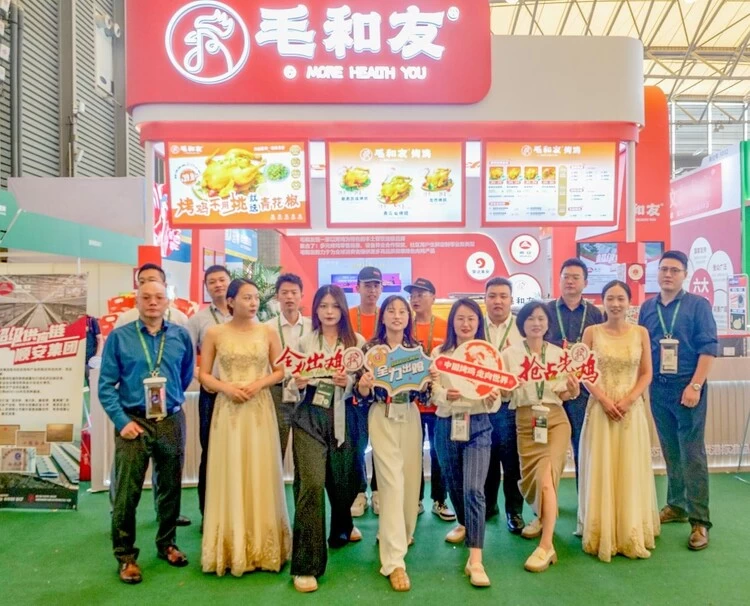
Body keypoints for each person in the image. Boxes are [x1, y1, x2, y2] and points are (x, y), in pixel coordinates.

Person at [98, 281, 195, 584]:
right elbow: (105, 386)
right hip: (133, 422)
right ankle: (126, 556)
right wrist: (121, 421)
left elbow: (185, 374)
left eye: (159, 297)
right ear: (137, 302)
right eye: (146, 297)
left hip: (170, 419)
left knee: (170, 487)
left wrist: (171, 400)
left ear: (168, 302)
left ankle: (167, 543)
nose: (153, 302)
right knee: (127, 492)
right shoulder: (120, 338)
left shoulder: (180, 336)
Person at [199, 279, 292, 576]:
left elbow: (280, 370)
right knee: (231, 471)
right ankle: (232, 548)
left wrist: (258, 384)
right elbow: (203, 374)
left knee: (260, 470)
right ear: (230, 301)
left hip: (259, 408)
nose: (253, 303)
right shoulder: (214, 333)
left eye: (255, 298)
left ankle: (264, 548)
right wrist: (226, 388)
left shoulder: (267, 331)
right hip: (228, 411)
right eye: (246, 297)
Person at [639, 250, 717, 551]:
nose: (668, 274)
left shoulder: (698, 305)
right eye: (664, 269)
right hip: (658, 389)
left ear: (685, 274)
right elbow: (641, 350)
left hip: (688, 388)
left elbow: (708, 349)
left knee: (692, 454)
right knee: (670, 450)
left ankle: (699, 520)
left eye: (674, 270)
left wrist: (695, 385)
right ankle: (676, 505)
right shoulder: (648, 307)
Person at [289, 285, 365, 593]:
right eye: (323, 305)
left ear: (344, 309)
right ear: (316, 309)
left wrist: (350, 382)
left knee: (344, 480)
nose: (329, 311)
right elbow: (290, 382)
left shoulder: (357, 342)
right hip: (309, 416)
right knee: (311, 484)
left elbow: (365, 387)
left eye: (335, 305)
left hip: (344, 416)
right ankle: (306, 565)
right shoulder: (304, 341)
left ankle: (342, 526)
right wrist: (297, 382)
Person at [577, 280, 660, 562]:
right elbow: (583, 372)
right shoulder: (592, 332)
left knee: (629, 467)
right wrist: (603, 399)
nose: (615, 304)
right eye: (610, 298)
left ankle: (629, 530)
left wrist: (629, 400)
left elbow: (646, 373)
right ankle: (601, 531)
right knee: (601, 466)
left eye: (620, 298)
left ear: (629, 302)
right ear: (602, 302)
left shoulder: (641, 333)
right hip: (600, 409)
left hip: (630, 411)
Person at [355, 295, 428, 592]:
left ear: (409, 317)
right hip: (381, 416)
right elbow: (359, 395)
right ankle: (394, 562)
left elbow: (424, 395)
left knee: (410, 483)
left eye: (402, 311)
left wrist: (430, 380)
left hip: (409, 415)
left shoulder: (417, 350)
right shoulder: (370, 350)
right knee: (391, 484)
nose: (397, 316)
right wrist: (363, 387)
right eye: (391, 311)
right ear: (382, 316)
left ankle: (399, 534)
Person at [502, 301, 581, 572]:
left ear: (548, 324)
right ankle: (540, 516)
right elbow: (505, 395)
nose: (536, 323)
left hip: (555, 420)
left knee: (547, 478)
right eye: (531, 319)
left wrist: (573, 390)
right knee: (534, 479)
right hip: (526, 423)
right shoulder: (509, 355)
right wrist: (503, 387)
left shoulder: (560, 354)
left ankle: (546, 546)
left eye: (541, 319)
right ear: (522, 324)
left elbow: (564, 394)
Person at [430, 298, 501, 587]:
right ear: (452, 322)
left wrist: (492, 397)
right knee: (454, 484)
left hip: (479, 425)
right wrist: (444, 395)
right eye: (460, 318)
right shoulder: (439, 353)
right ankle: (464, 522)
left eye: (471, 318)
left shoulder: (489, 355)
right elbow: (433, 391)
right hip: (447, 424)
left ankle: (476, 559)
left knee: (474, 489)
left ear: (478, 323)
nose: (466, 323)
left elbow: (495, 398)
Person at [545, 259, 604, 487]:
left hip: (582, 391)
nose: (570, 281)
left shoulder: (595, 314)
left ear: (585, 283)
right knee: (548, 448)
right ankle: (547, 499)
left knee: (583, 445)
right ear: (559, 280)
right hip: (551, 390)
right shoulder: (546, 311)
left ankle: (585, 497)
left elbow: (601, 352)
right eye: (566, 277)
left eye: (575, 277)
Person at [405, 277, 454, 522]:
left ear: (433, 297)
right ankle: (414, 500)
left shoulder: (446, 327)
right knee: (412, 453)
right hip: (411, 403)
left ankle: (439, 500)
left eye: (421, 294)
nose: (415, 299)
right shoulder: (405, 328)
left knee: (439, 452)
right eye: (412, 295)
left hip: (438, 403)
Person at [187, 265, 232, 528]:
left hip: (242, 394)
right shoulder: (198, 320)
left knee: (237, 451)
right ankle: (209, 513)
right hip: (212, 395)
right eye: (212, 281)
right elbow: (185, 356)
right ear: (206, 287)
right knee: (211, 451)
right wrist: (202, 378)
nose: (218, 285)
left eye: (222, 280)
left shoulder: (247, 314)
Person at [482, 277, 525, 534]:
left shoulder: (522, 327)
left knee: (512, 462)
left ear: (511, 299)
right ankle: (488, 506)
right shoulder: (476, 327)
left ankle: (514, 511)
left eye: (503, 296)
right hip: (482, 404)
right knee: (485, 458)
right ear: (485, 299)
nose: (497, 301)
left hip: (511, 404)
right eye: (492, 296)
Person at [265, 273, 313, 463]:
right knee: (275, 447)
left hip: (306, 392)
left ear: (302, 295)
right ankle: (273, 483)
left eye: (294, 292)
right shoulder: (267, 328)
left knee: (305, 450)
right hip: (277, 391)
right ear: (277, 296)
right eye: (284, 293)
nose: (289, 297)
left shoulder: (312, 327)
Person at [349, 266, 383, 517]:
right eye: (367, 285)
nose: (372, 290)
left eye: (376, 285)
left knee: (381, 444)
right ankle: (359, 492)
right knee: (357, 444)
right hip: (355, 392)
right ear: (357, 287)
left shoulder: (387, 315)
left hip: (383, 393)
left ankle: (379, 491)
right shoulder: (347, 317)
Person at [114, 263, 189, 328]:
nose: (147, 285)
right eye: (142, 282)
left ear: (164, 285)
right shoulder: (125, 319)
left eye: (152, 280)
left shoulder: (180, 319)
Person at [85, 314, 102, 385]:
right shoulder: (68, 322)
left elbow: (100, 339)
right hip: (77, 361)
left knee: (94, 384)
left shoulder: (90, 320)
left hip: (91, 359)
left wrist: (97, 356)